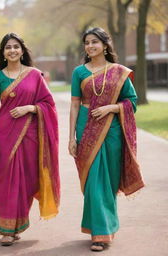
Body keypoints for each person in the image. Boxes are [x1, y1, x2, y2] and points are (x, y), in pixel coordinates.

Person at [68, 27, 144, 252]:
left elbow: (132, 101)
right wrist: (71, 136)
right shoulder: (79, 72)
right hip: (86, 128)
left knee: (108, 182)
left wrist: (112, 107)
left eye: (95, 42)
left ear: (105, 44)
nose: (90, 46)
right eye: (87, 42)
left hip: (112, 131)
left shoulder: (119, 72)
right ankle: (99, 233)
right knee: (93, 181)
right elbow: (74, 105)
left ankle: (105, 227)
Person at [0, 32, 60, 246]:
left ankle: (18, 224)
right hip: (4, 135)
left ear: (22, 50)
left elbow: (49, 104)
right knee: (6, 179)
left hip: (30, 136)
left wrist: (30, 108)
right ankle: (7, 229)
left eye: (16, 46)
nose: (12, 50)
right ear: (3, 52)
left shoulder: (35, 74)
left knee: (25, 181)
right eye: (7, 47)